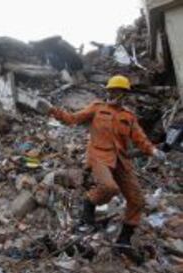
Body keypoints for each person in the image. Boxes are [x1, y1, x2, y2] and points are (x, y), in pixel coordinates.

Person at [43, 75, 166, 255]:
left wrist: (154, 151)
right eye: (114, 90)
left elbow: (140, 139)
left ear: (125, 95)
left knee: (137, 200)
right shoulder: (97, 108)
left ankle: (123, 242)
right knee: (109, 187)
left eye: (121, 92)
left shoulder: (128, 116)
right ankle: (88, 207)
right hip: (99, 156)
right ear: (108, 91)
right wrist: (52, 110)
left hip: (121, 161)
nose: (117, 94)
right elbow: (71, 119)